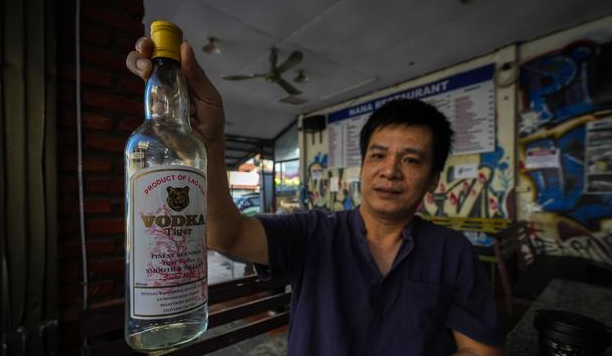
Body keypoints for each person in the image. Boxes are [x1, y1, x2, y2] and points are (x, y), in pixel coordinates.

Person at [127, 38, 504, 355]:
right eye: (378, 155)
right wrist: (210, 142)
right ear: (363, 166)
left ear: (434, 179)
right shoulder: (313, 232)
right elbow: (225, 235)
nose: (390, 170)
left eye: (411, 159)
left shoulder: (453, 252)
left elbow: (480, 349)